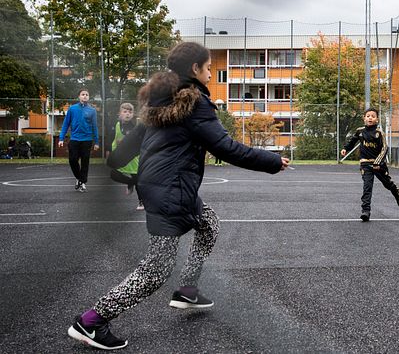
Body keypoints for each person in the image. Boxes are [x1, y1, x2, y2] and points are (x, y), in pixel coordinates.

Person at [67, 42, 290, 350]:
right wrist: (273, 161)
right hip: (169, 194)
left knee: (208, 223)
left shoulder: (162, 102)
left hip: (170, 188)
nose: (211, 72)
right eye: (209, 67)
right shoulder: (194, 103)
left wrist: (128, 171)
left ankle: (186, 290)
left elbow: (122, 152)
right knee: (155, 271)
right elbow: (225, 147)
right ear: (195, 70)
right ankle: (91, 321)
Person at [341, 108, 399, 222]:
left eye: (373, 116)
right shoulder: (360, 131)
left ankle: (396, 192)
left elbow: (384, 149)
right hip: (365, 164)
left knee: (387, 183)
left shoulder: (379, 133)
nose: (370, 118)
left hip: (379, 165)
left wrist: (378, 162)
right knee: (367, 187)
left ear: (377, 120)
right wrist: (345, 149)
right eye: (368, 116)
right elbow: (352, 141)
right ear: (364, 118)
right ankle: (366, 211)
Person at [58, 88, 100, 192]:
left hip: (87, 140)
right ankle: (79, 178)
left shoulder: (92, 110)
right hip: (74, 139)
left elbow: (95, 127)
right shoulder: (72, 109)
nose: (85, 96)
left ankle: (82, 182)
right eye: (83, 94)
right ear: (79, 96)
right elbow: (65, 124)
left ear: (88, 97)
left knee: (85, 162)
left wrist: (97, 142)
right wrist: (61, 138)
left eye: (87, 94)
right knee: (73, 160)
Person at [108, 103, 144, 210]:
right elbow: (111, 139)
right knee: (113, 174)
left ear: (133, 114)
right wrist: (108, 151)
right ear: (119, 114)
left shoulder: (135, 128)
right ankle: (130, 183)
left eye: (130, 112)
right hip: (119, 157)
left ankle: (141, 201)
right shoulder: (116, 125)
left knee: (137, 178)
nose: (127, 114)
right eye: (125, 111)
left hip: (132, 158)